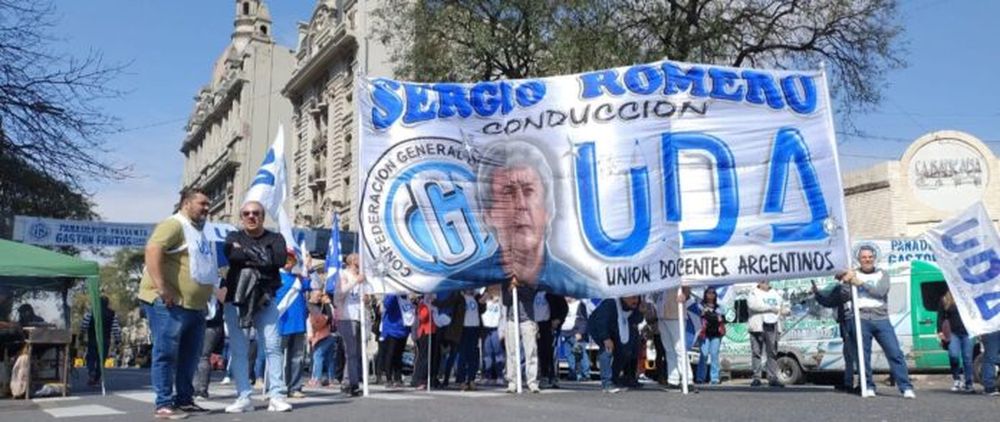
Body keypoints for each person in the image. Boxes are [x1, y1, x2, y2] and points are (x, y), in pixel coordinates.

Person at [441, 140, 599, 298]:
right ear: (488, 215)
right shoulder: (458, 281)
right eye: (508, 192)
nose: (521, 205)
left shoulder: (584, 288)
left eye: (529, 191)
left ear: (548, 210)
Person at [138, 188, 217, 419]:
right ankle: (163, 404)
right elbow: (153, 250)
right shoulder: (173, 224)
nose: (206, 207)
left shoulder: (199, 231)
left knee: (190, 356)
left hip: (194, 306)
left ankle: (184, 400)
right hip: (168, 303)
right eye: (202, 203)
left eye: (207, 203)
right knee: (166, 353)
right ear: (186, 204)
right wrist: (162, 288)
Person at [221, 200, 292, 413]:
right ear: (241, 217)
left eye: (256, 213)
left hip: (265, 299)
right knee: (239, 349)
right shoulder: (233, 237)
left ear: (262, 216)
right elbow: (233, 255)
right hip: (236, 299)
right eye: (247, 213)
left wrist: (247, 254)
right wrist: (263, 255)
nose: (251, 216)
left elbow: (279, 259)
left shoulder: (276, 238)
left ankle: (277, 394)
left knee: (272, 345)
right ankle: (244, 396)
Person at [836, 245, 915, 399]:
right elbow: (844, 296)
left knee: (895, 353)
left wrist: (861, 284)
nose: (867, 260)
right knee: (862, 356)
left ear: (874, 258)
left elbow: (880, 292)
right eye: (864, 257)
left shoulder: (882, 274)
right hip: (860, 318)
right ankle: (868, 386)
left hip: (881, 319)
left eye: (870, 257)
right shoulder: (853, 274)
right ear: (859, 259)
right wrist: (845, 282)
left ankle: (905, 387)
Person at [588, 296, 643, 393]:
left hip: (617, 328)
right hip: (600, 327)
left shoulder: (635, 306)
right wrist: (605, 338)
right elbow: (601, 321)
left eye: (637, 298)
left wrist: (642, 311)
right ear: (624, 298)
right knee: (607, 350)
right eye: (633, 298)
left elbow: (637, 320)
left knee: (625, 352)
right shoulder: (610, 303)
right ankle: (607, 383)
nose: (636, 300)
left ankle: (614, 379)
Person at [812, 279, 857, 392]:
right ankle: (849, 383)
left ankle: (861, 383)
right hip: (845, 321)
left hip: (852, 321)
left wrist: (817, 294)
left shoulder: (847, 286)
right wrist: (817, 293)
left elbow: (829, 301)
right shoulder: (840, 286)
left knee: (855, 353)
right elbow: (829, 300)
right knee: (848, 353)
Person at [334, 253, 368, 397]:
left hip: (360, 317)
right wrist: (355, 282)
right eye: (359, 259)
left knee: (358, 352)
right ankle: (348, 382)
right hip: (347, 316)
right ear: (353, 261)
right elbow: (339, 294)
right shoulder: (343, 274)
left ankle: (353, 381)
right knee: (350, 352)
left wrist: (367, 299)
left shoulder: (362, 277)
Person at [277, 253, 310, 399]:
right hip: (281, 322)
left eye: (290, 260)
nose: (287, 263)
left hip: (298, 323)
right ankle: (275, 387)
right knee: (277, 356)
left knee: (297, 357)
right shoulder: (276, 277)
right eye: (285, 259)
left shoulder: (299, 278)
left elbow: (311, 286)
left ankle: (294, 387)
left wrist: (307, 268)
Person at [504, 280, 541, 393]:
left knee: (531, 352)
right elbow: (506, 301)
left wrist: (518, 286)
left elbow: (530, 296)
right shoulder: (506, 282)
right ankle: (512, 382)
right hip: (512, 320)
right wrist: (510, 289)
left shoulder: (530, 280)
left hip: (527, 320)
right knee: (511, 352)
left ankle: (532, 382)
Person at [748, 281, 786, 388]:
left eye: (766, 281)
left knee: (772, 352)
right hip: (758, 326)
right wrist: (769, 308)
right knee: (756, 352)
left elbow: (781, 307)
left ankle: (772, 377)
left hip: (772, 325)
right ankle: (756, 378)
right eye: (762, 281)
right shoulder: (753, 292)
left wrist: (785, 311)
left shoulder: (775, 293)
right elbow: (753, 306)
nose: (765, 283)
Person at [657, 287, 694, 391]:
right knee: (669, 349)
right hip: (661, 314)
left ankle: (688, 379)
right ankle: (673, 379)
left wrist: (685, 295)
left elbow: (686, 285)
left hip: (675, 314)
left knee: (680, 348)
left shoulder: (676, 272)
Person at [79, 296, 122, 386]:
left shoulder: (91, 312)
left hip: (93, 339)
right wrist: (118, 340)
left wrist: (81, 336)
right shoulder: (112, 314)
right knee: (101, 360)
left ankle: (91, 372)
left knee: (91, 357)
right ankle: (97, 377)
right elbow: (116, 328)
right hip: (105, 340)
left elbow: (84, 325)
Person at [193, 287, 225, 399]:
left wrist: (211, 287)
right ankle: (191, 388)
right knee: (191, 356)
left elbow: (224, 298)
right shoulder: (194, 277)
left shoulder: (220, 281)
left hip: (212, 324)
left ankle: (201, 390)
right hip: (194, 319)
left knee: (203, 356)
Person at [939, 291, 974, 393]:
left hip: (968, 332)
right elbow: (940, 316)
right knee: (953, 355)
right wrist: (940, 331)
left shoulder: (968, 297)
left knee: (967, 358)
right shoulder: (946, 299)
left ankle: (969, 383)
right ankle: (957, 379)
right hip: (953, 333)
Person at [379, 294, 413, 388]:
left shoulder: (406, 298)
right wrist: (394, 293)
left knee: (399, 355)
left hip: (403, 331)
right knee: (390, 355)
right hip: (392, 330)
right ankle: (388, 378)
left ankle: (398, 378)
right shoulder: (393, 296)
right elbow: (387, 305)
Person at [536, 291, 567, 389]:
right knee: (539, 352)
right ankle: (543, 376)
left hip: (549, 325)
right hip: (536, 325)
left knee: (550, 352)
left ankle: (552, 377)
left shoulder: (552, 293)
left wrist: (558, 319)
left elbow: (564, 308)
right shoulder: (533, 292)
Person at [695, 287, 725, 385]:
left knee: (714, 355)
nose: (711, 295)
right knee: (703, 355)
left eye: (713, 293)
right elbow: (699, 317)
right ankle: (700, 377)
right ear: (705, 294)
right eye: (709, 293)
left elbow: (722, 320)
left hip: (716, 334)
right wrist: (709, 315)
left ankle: (714, 378)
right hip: (704, 334)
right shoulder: (701, 306)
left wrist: (714, 316)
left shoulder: (719, 307)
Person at [456, 289, 482, 391]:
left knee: (473, 356)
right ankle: (461, 380)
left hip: (475, 328)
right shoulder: (460, 298)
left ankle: (471, 380)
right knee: (462, 356)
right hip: (464, 328)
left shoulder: (476, 298)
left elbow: (482, 308)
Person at [560, 296, 590, 382]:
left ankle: (585, 374)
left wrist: (580, 332)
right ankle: (572, 373)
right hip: (565, 333)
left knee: (580, 354)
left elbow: (584, 320)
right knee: (568, 354)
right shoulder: (564, 305)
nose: (565, 297)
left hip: (576, 333)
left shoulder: (580, 305)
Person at [479, 285, 504, 385]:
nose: (493, 290)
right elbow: (480, 302)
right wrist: (487, 296)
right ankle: (487, 375)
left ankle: (499, 376)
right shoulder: (484, 299)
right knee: (487, 354)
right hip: (486, 328)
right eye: (491, 289)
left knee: (498, 354)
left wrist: (498, 299)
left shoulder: (500, 301)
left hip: (496, 328)